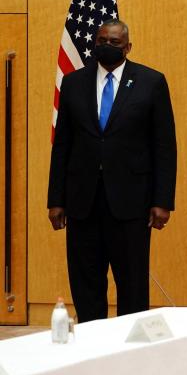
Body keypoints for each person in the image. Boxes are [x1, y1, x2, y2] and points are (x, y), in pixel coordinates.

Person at [47, 20, 177, 322]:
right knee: (86, 283)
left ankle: (128, 357)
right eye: (102, 39)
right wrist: (56, 199)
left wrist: (162, 201)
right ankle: (94, 353)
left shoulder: (150, 82)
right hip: (83, 203)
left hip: (132, 204)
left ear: (128, 47)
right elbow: (62, 144)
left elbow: (164, 146)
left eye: (115, 42)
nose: (107, 45)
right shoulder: (74, 82)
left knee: (131, 284)